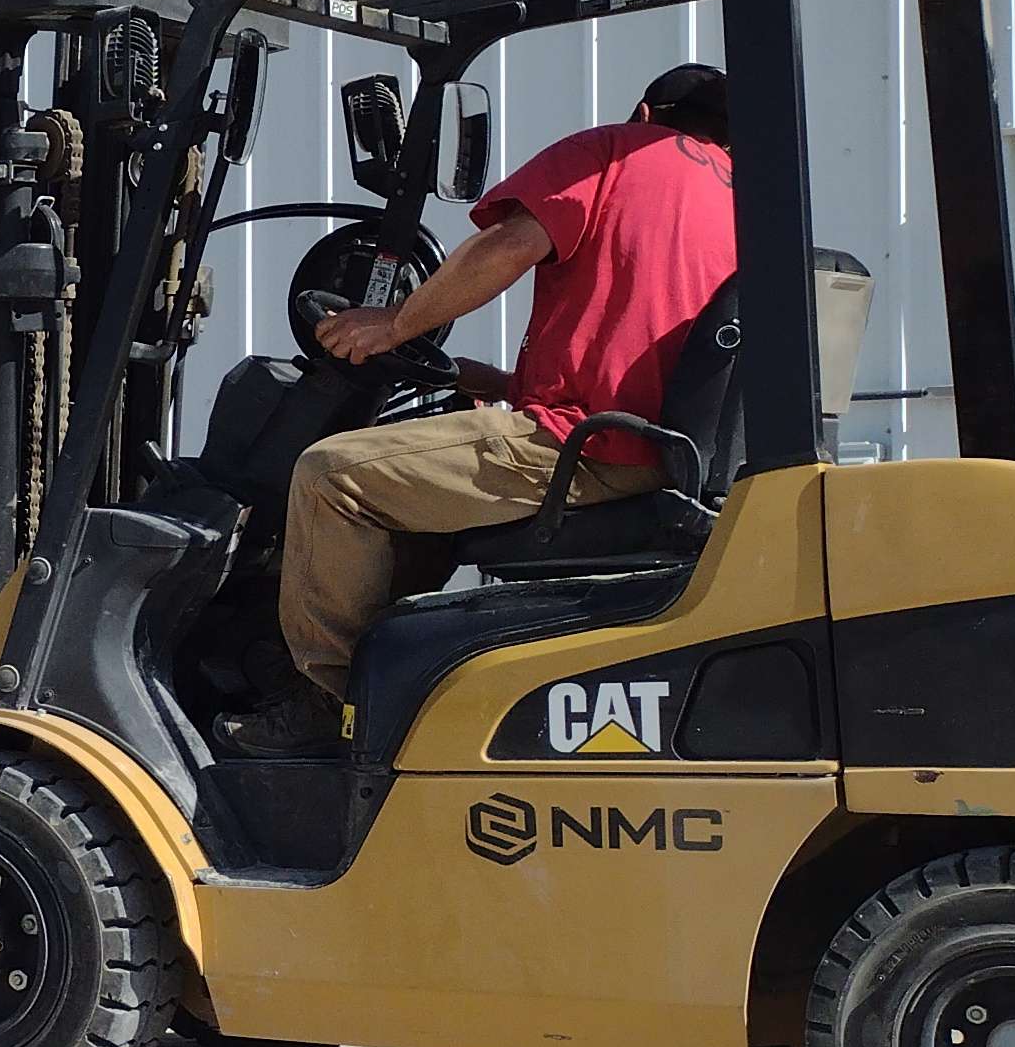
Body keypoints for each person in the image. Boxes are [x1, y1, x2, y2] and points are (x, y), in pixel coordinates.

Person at [212, 63, 739, 758]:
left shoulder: (618, 150)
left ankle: (330, 704)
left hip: (585, 449)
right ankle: (401, 671)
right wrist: (473, 373)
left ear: (645, 110)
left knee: (331, 476)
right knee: (408, 497)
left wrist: (394, 323)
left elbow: (510, 246)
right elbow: (639, 349)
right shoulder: (741, 199)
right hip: (657, 453)